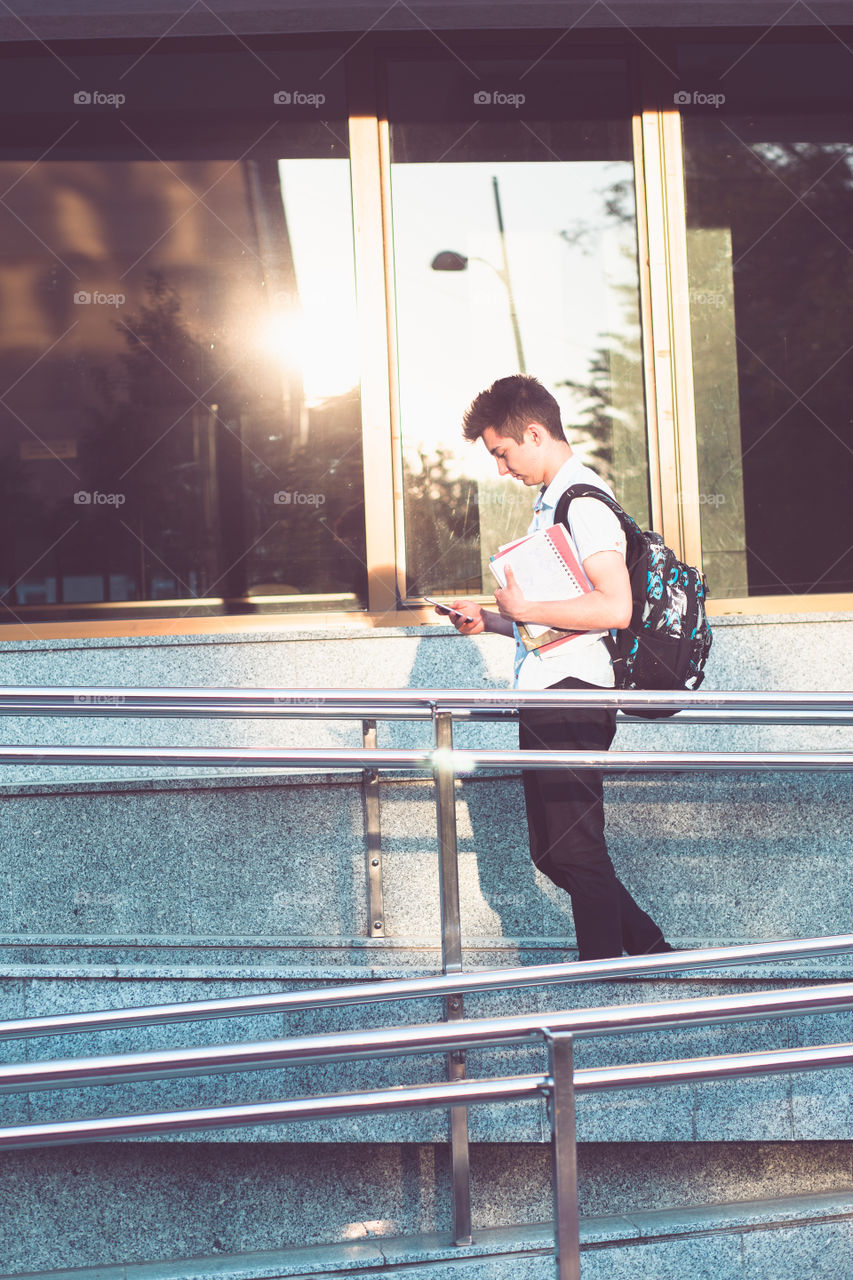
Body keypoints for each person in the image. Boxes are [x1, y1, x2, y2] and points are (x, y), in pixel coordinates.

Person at [444, 374, 673, 961]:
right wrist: (493, 622)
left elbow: (614, 607)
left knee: (575, 850)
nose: (501, 468)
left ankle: (599, 978)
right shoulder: (551, 505)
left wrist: (525, 608)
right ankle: (648, 948)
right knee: (551, 852)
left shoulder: (583, 502)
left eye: (502, 453)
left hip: (574, 693)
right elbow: (556, 621)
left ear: (536, 433)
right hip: (551, 689)